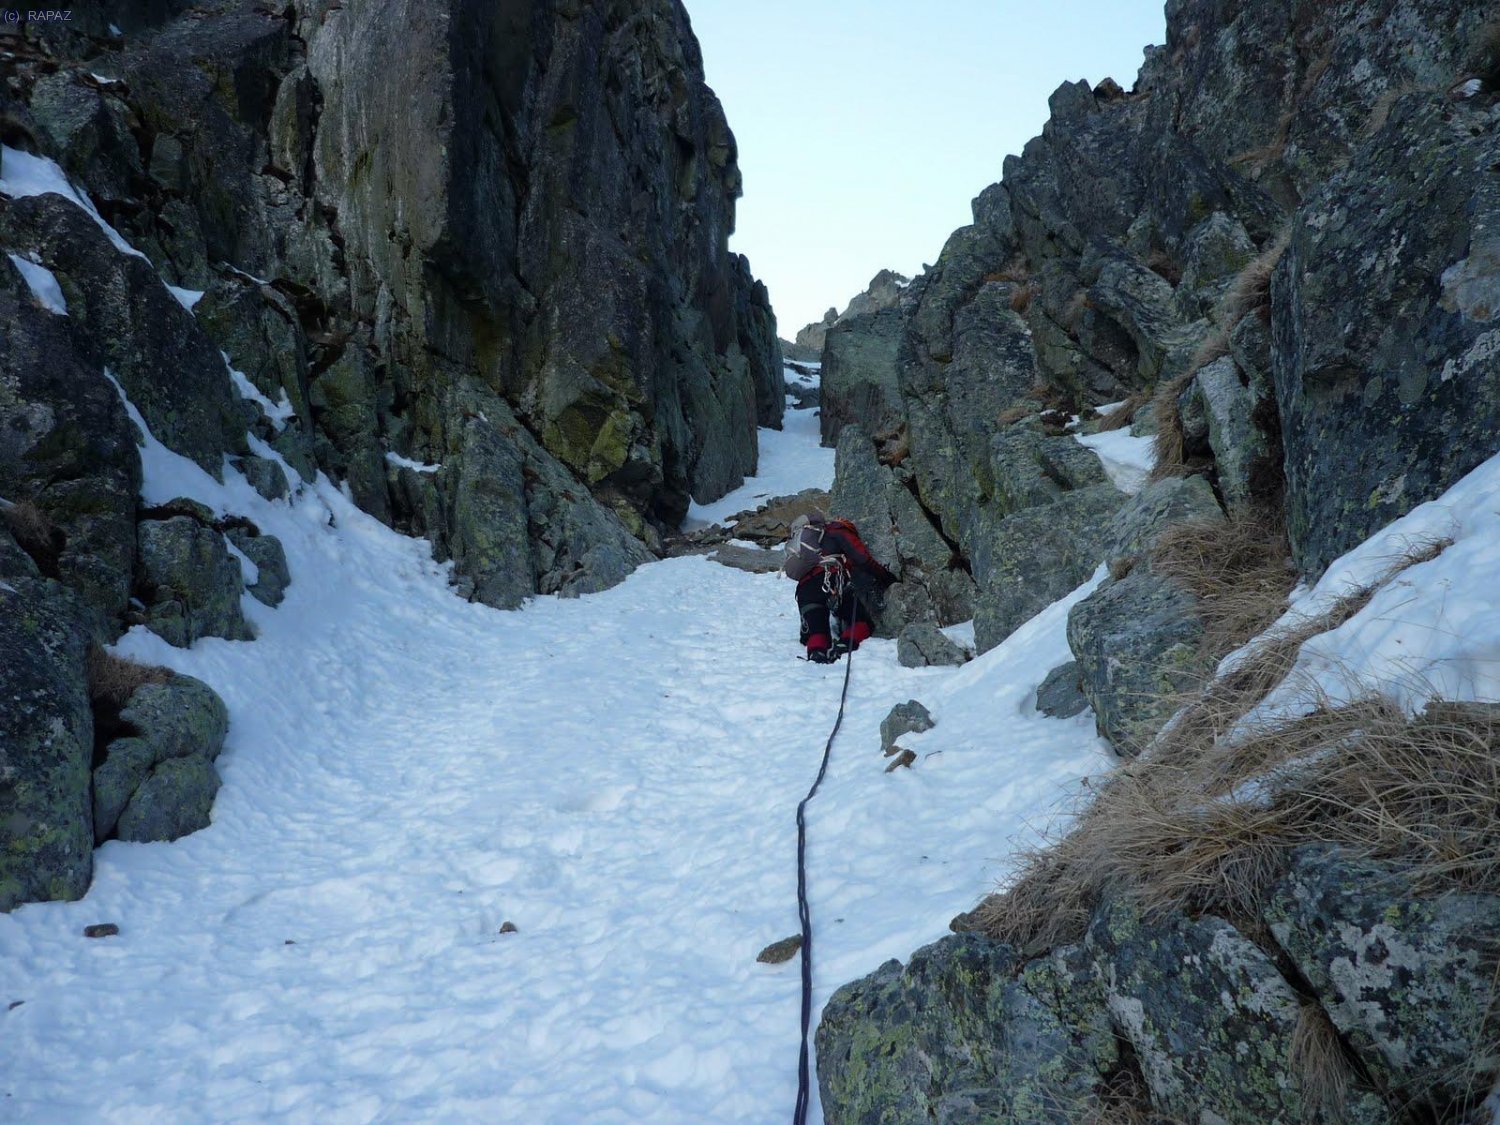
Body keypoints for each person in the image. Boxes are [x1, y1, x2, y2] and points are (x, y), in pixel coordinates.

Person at [782, 513, 896, 663]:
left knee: (818, 632)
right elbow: (862, 559)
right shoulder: (838, 531)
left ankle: (816, 655)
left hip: (805, 589)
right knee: (861, 623)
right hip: (832, 581)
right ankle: (843, 646)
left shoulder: (806, 541)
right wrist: (887, 578)